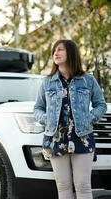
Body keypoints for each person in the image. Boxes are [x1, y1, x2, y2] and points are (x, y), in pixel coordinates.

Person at [34, 39, 107, 199]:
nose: (55, 53)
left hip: (82, 137)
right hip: (55, 138)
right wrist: (47, 119)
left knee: (83, 186)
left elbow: (101, 105)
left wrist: (88, 118)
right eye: (54, 51)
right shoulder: (47, 82)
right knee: (63, 187)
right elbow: (37, 108)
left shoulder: (87, 80)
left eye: (60, 50)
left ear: (71, 53)